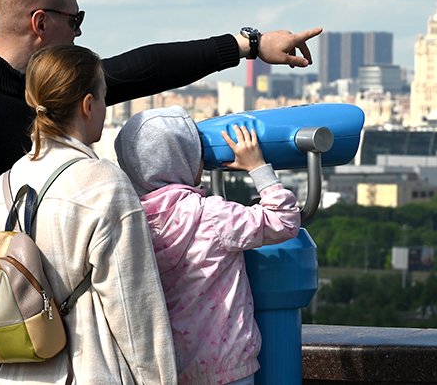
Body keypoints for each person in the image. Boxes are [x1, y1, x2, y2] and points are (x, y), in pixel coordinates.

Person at [0, 0, 320, 372]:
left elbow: (140, 69)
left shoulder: (37, 90)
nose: (79, 32)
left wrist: (248, 45)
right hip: (20, 345)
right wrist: (45, 302)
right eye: (75, 19)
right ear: (40, 22)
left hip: (38, 351)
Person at [0, 44, 176, 383]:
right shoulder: (103, 185)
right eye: (104, 98)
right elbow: (137, 312)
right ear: (88, 105)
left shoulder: (1, 189)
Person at [114, 106, 300, 385]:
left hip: (167, 369)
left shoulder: (129, 223)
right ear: (185, 158)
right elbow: (284, 220)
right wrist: (257, 167)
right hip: (226, 367)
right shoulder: (212, 216)